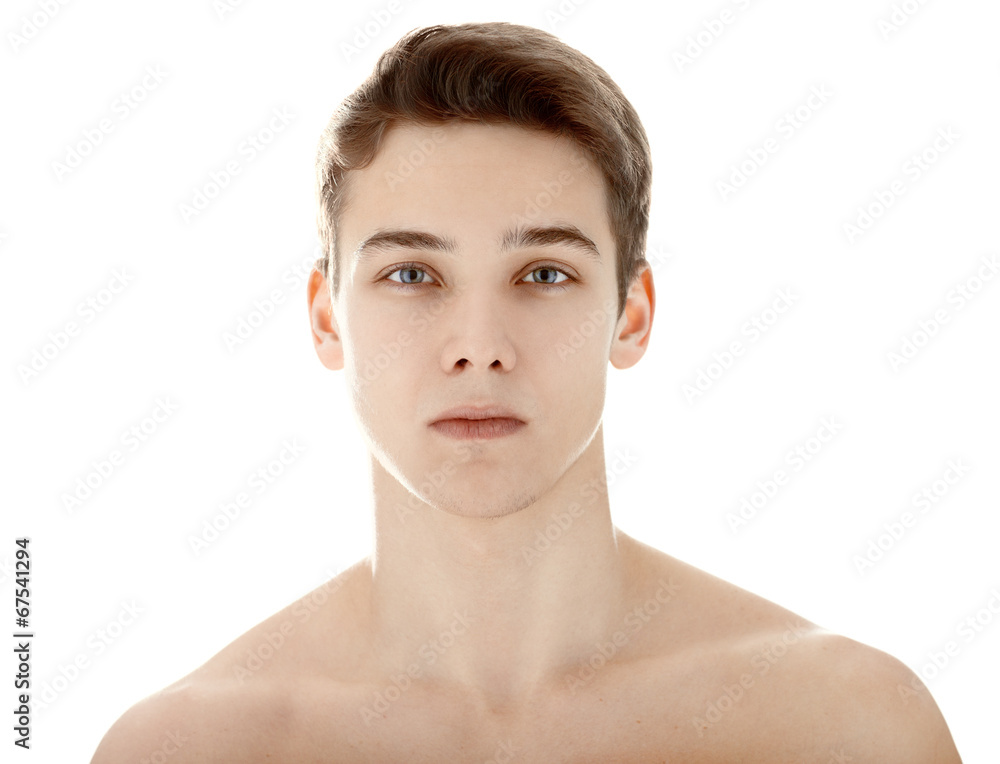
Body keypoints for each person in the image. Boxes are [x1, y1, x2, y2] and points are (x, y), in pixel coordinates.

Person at [91, 21, 962, 762]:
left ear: (631, 314)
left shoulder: (845, 728)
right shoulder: (190, 749)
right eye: (412, 274)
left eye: (543, 272)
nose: (480, 349)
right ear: (327, 318)